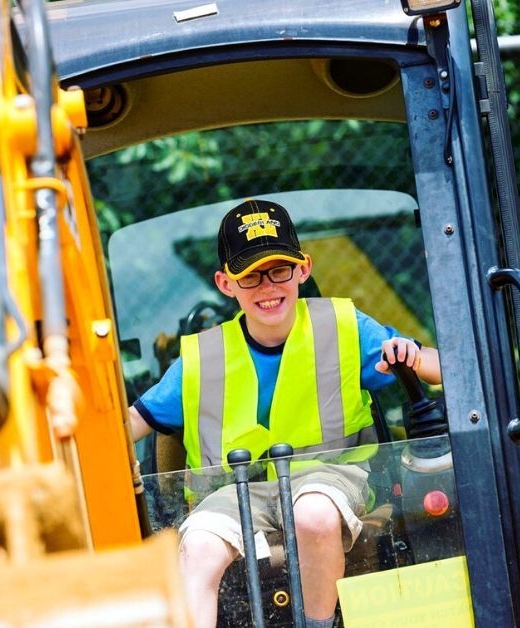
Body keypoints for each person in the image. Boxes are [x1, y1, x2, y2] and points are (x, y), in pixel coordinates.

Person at [127, 199, 442, 628]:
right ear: (225, 283)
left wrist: (409, 355)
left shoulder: (345, 326)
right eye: (250, 275)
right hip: (232, 496)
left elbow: (442, 370)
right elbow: (131, 424)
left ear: (303, 269)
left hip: (332, 478)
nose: (268, 286)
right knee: (197, 545)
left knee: (311, 515)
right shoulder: (201, 357)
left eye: (279, 270)